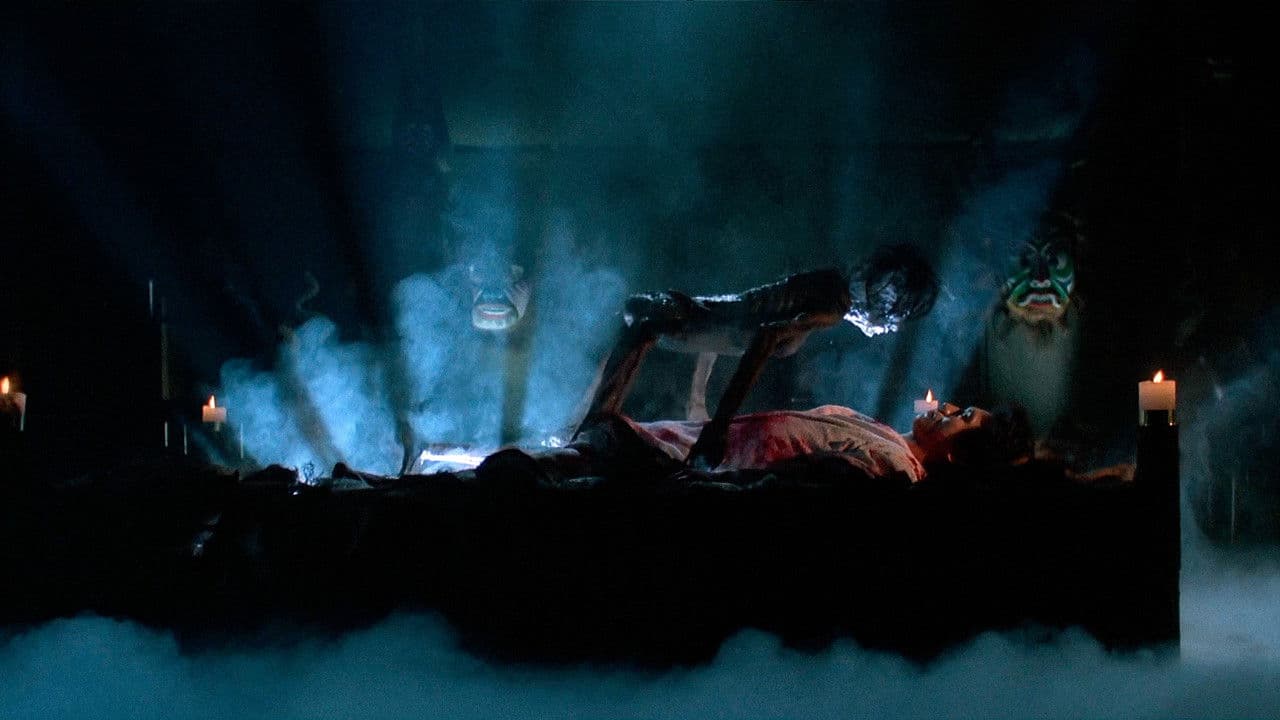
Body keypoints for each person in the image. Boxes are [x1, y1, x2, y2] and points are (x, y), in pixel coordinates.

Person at [478, 401, 1033, 489]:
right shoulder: (885, 432)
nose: (945, 408)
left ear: (959, 455)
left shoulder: (899, 469)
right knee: (593, 450)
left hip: (709, 468)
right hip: (698, 440)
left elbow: (824, 476)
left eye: (961, 418)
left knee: (579, 468)